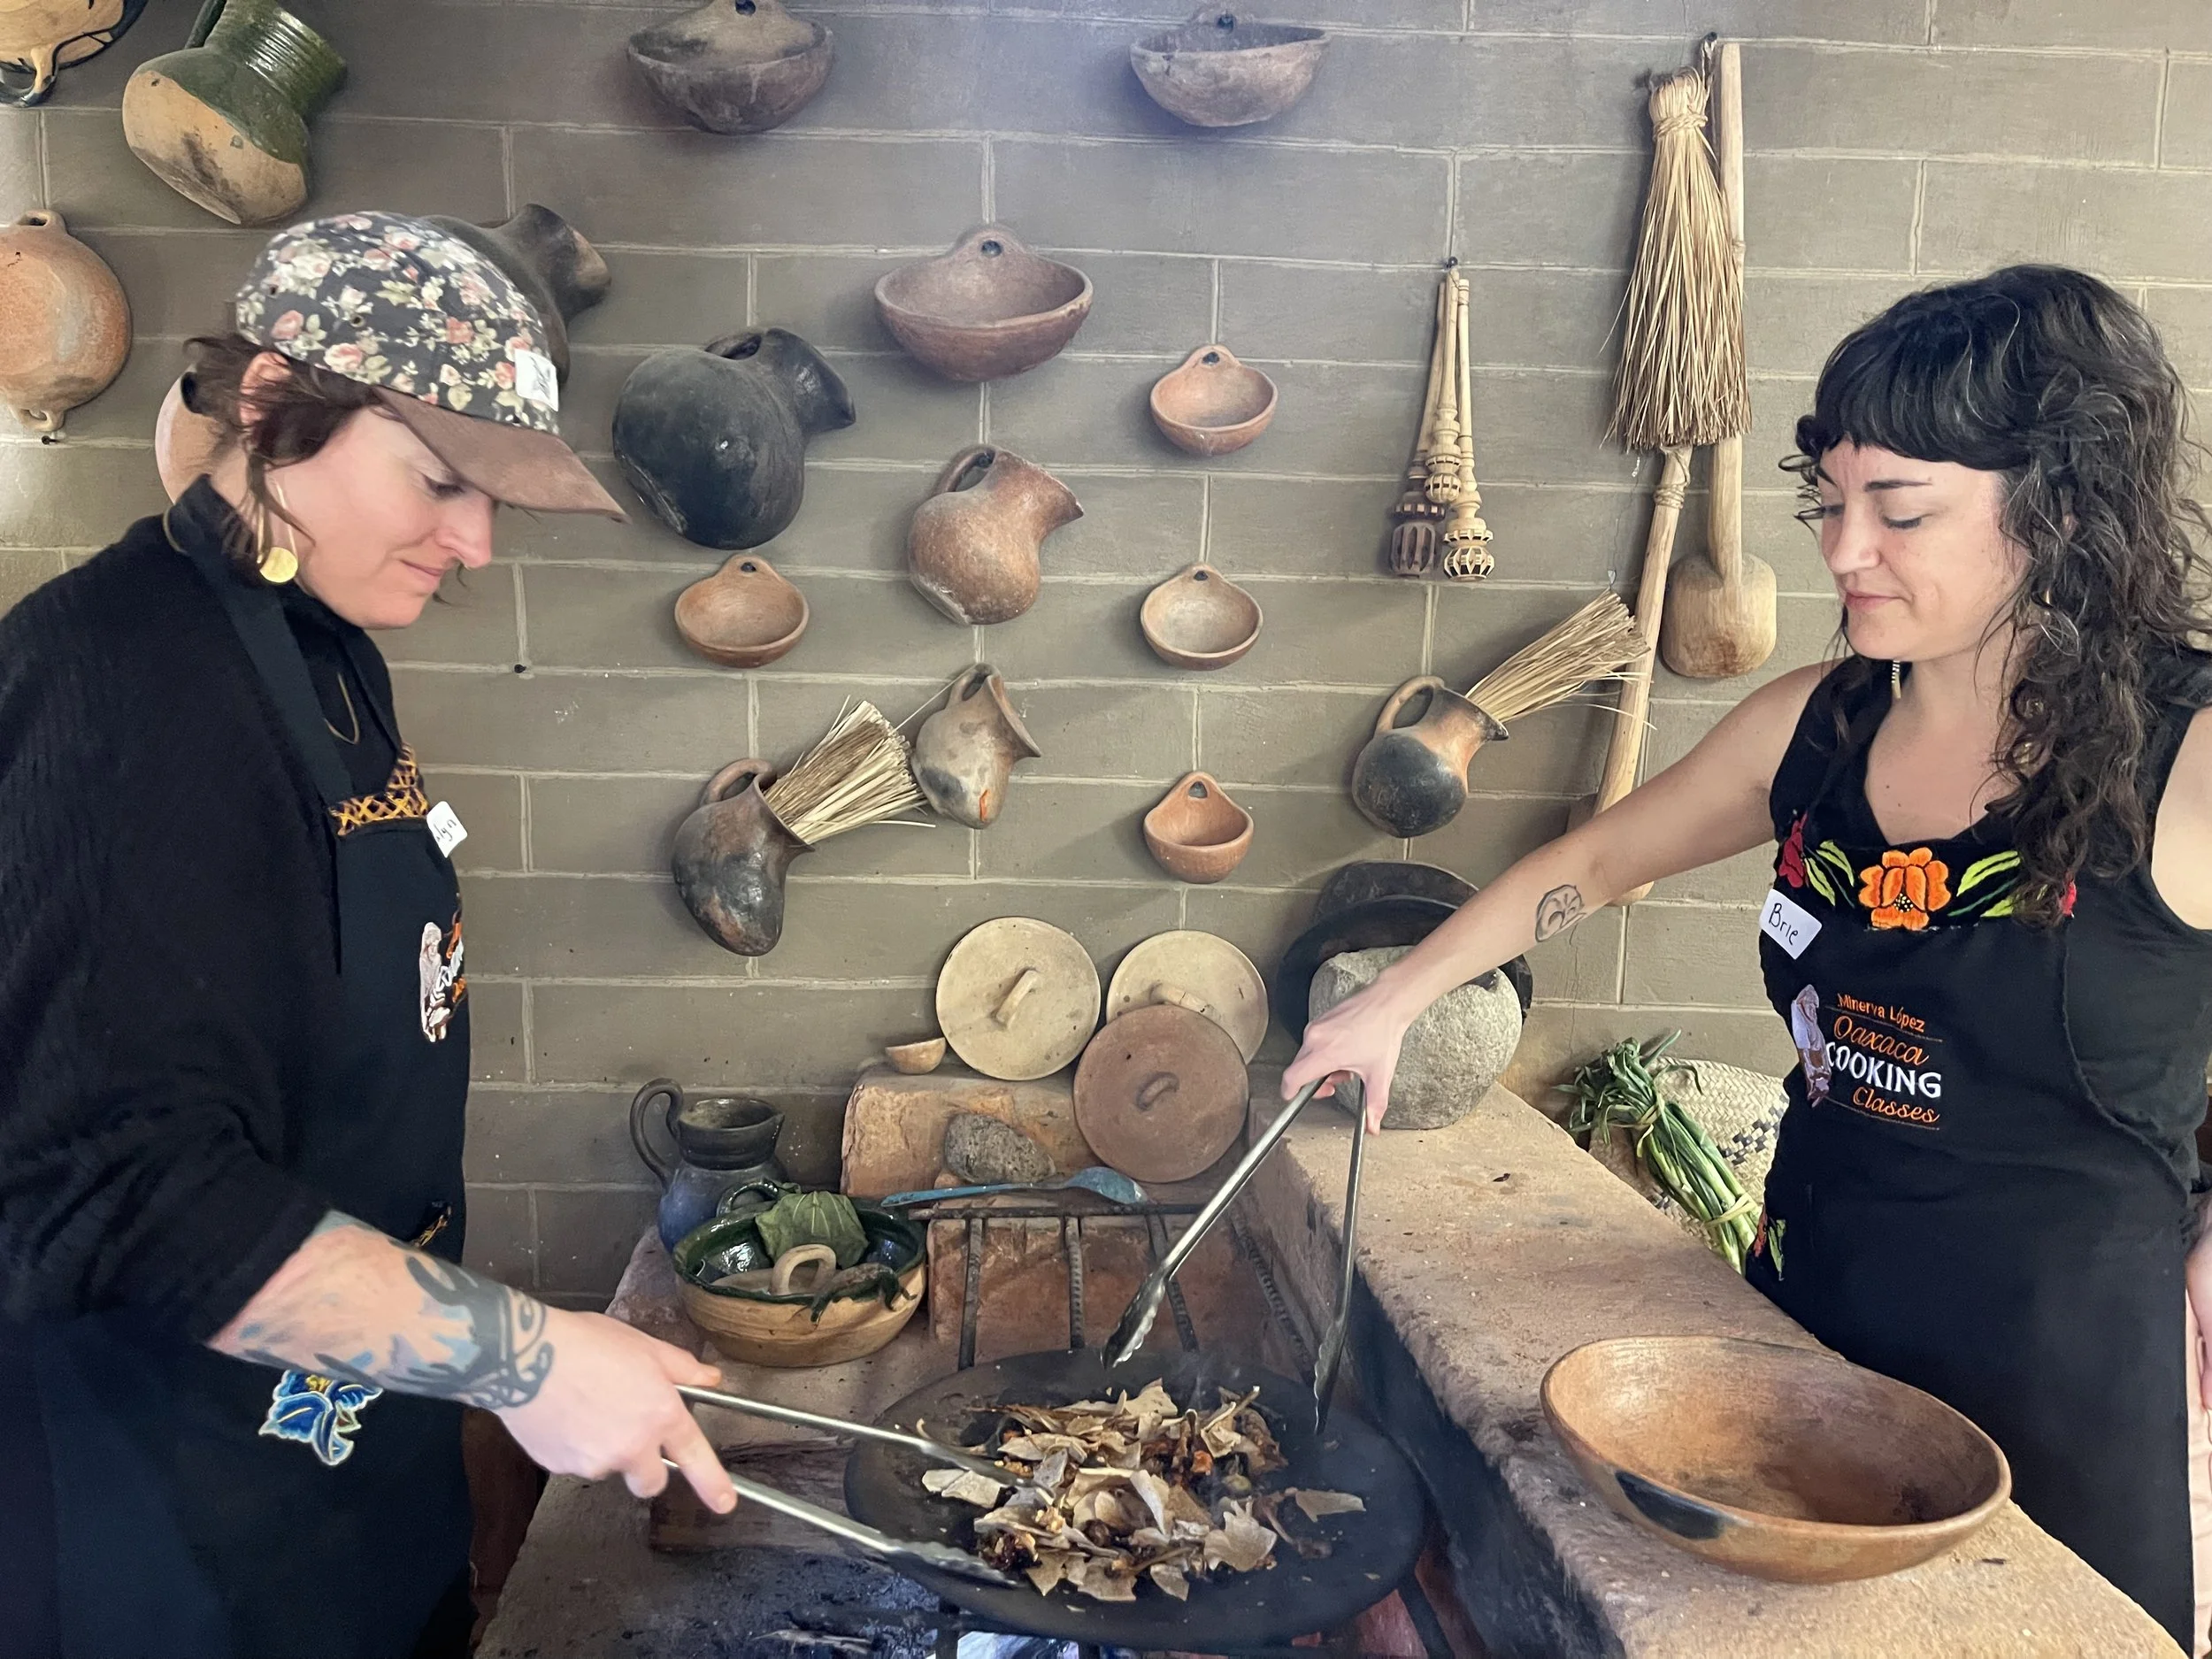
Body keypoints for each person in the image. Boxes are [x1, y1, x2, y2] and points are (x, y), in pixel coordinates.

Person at [1284, 265, 2212, 1653]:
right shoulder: (1821, 725)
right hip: (1804, 1321)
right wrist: (1398, 1001)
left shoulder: (2185, 751)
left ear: (2063, 506)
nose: (1845, 551)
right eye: (1829, 503)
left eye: (1900, 510)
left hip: (2059, 1370)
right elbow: (1598, 860)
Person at [0, 212, 738, 1659]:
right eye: (440, 479)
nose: (474, 542)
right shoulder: (117, 682)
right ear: (274, 405)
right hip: (171, 1529)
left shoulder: (326, 651)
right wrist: (522, 1356)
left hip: (348, 1480)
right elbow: (114, 1191)